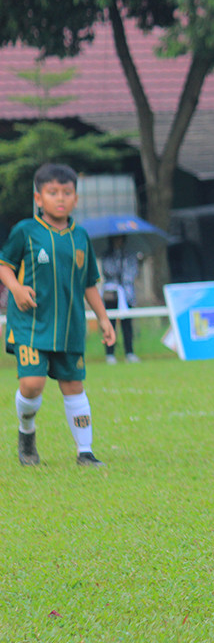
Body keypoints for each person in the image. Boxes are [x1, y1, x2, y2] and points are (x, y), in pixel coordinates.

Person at [0, 163, 116, 467]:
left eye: (67, 193)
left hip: (69, 326)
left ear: (76, 199)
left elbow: (89, 282)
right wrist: (16, 289)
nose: (60, 198)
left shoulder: (81, 237)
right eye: (53, 193)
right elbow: (4, 266)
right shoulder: (25, 231)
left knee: (74, 386)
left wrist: (103, 318)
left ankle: (85, 453)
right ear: (39, 198)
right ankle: (27, 434)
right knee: (32, 384)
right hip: (31, 323)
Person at [101, 235, 141, 363]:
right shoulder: (107, 256)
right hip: (111, 293)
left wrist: (124, 276)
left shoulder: (129, 255)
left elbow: (132, 272)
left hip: (126, 293)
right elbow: (107, 270)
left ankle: (129, 352)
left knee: (127, 325)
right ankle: (110, 353)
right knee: (110, 323)